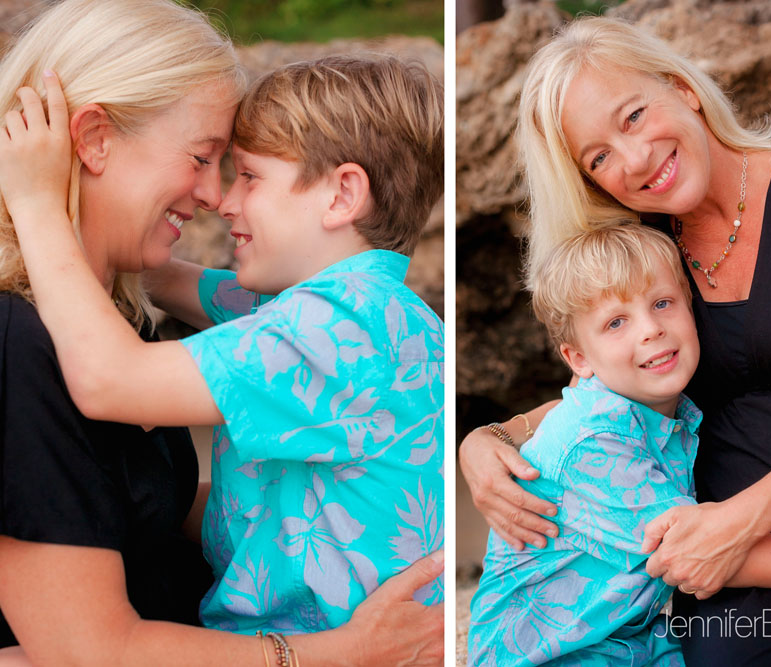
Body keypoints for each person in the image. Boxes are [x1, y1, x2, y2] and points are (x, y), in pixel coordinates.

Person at [0, 1, 441, 665]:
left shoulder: (332, 323)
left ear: (342, 195)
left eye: (244, 175)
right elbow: (180, 291)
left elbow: (118, 376)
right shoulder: (348, 313)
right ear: (92, 140)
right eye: (206, 158)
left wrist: (49, 216)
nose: (219, 197)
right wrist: (60, 219)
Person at [459, 15, 771, 664]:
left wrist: (751, 523)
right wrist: (487, 439)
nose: (634, 160)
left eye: (633, 115)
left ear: (681, 89)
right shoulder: (644, 263)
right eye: (599, 157)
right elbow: (607, 397)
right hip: (732, 565)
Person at [466, 223, 771, 665]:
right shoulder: (594, 441)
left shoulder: (672, 414)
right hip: (550, 656)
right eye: (616, 322)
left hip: (625, 639)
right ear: (579, 359)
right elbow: (701, 552)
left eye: (662, 303)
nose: (650, 329)